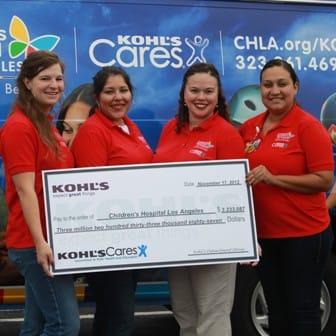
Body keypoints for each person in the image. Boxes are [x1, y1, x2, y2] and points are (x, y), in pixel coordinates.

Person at [239, 59, 334, 336]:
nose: (275, 91)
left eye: (282, 84)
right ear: (260, 89)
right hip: (266, 236)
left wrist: (273, 179)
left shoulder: (308, 126)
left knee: (302, 311)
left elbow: (324, 180)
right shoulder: (250, 127)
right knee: (276, 311)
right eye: (268, 85)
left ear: (296, 86)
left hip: (304, 235)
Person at [153, 63, 245, 336]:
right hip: (176, 239)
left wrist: (243, 237)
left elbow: (236, 191)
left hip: (215, 242)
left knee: (212, 316)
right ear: (183, 94)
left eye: (208, 91)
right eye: (194, 90)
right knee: (185, 315)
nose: (200, 97)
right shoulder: (171, 128)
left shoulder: (226, 133)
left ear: (218, 96)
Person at [0, 51, 80, 335]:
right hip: (35, 243)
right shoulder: (19, 127)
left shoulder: (45, 123)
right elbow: (24, 190)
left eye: (58, 78)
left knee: (35, 325)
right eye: (45, 78)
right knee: (65, 325)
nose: (54, 85)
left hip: (50, 239)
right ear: (27, 83)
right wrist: (40, 244)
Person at [71, 66, 153, 336]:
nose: (118, 97)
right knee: (119, 320)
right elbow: (94, 194)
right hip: (110, 244)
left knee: (112, 316)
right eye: (109, 91)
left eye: (123, 90)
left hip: (131, 239)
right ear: (97, 97)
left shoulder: (130, 126)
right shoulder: (93, 132)